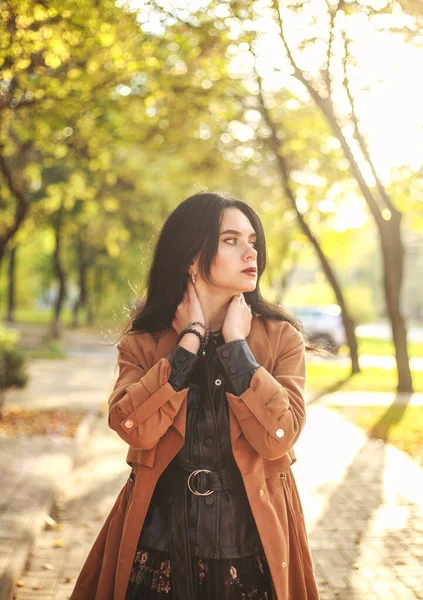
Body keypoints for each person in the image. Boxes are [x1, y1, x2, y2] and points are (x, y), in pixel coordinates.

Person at [70, 191, 320, 600]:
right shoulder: (145, 340)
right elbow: (134, 428)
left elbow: (282, 434)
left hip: (251, 540)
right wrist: (187, 346)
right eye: (231, 240)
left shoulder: (280, 338)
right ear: (190, 257)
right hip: (157, 543)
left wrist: (238, 348)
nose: (249, 252)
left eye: (252, 240)